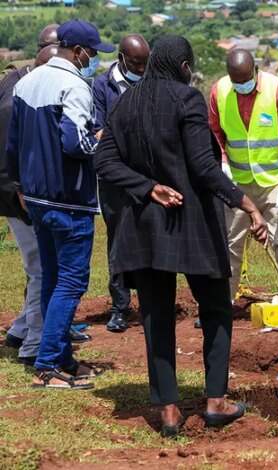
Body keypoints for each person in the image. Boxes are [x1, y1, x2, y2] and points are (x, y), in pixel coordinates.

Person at [95, 35, 268, 437]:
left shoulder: (124, 101)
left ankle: (169, 413)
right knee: (216, 310)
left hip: (145, 230)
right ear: (185, 68)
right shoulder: (186, 100)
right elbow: (205, 168)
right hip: (192, 227)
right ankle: (216, 402)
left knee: (156, 317)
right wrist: (247, 204)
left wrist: (145, 187)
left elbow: (102, 160)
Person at [6, 20, 114, 390]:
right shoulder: (74, 86)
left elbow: (13, 145)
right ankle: (48, 364)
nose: (94, 59)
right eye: (93, 52)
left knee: (52, 278)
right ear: (78, 51)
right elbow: (74, 144)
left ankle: (63, 357)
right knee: (71, 281)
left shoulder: (27, 82)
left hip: (35, 197)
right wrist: (102, 142)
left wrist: (20, 185)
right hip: (69, 200)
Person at [208, 48, 278, 314]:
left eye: (246, 80)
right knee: (231, 245)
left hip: (273, 183)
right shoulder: (220, 91)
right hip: (236, 184)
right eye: (236, 82)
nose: (241, 86)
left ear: (256, 71)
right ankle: (222, 306)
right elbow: (215, 133)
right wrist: (223, 162)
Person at [0, 45, 59, 366]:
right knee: (40, 268)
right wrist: (23, 194)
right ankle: (33, 344)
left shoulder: (17, 85)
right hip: (17, 196)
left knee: (36, 265)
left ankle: (22, 329)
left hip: (16, 194)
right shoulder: (14, 104)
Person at [92, 34, 150, 333]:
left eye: (145, 63)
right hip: (115, 179)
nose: (141, 69)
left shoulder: (151, 82)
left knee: (150, 235)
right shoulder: (103, 86)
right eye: (136, 63)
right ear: (122, 58)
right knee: (117, 240)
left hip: (148, 178)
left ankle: (151, 302)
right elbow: (99, 131)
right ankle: (120, 307)